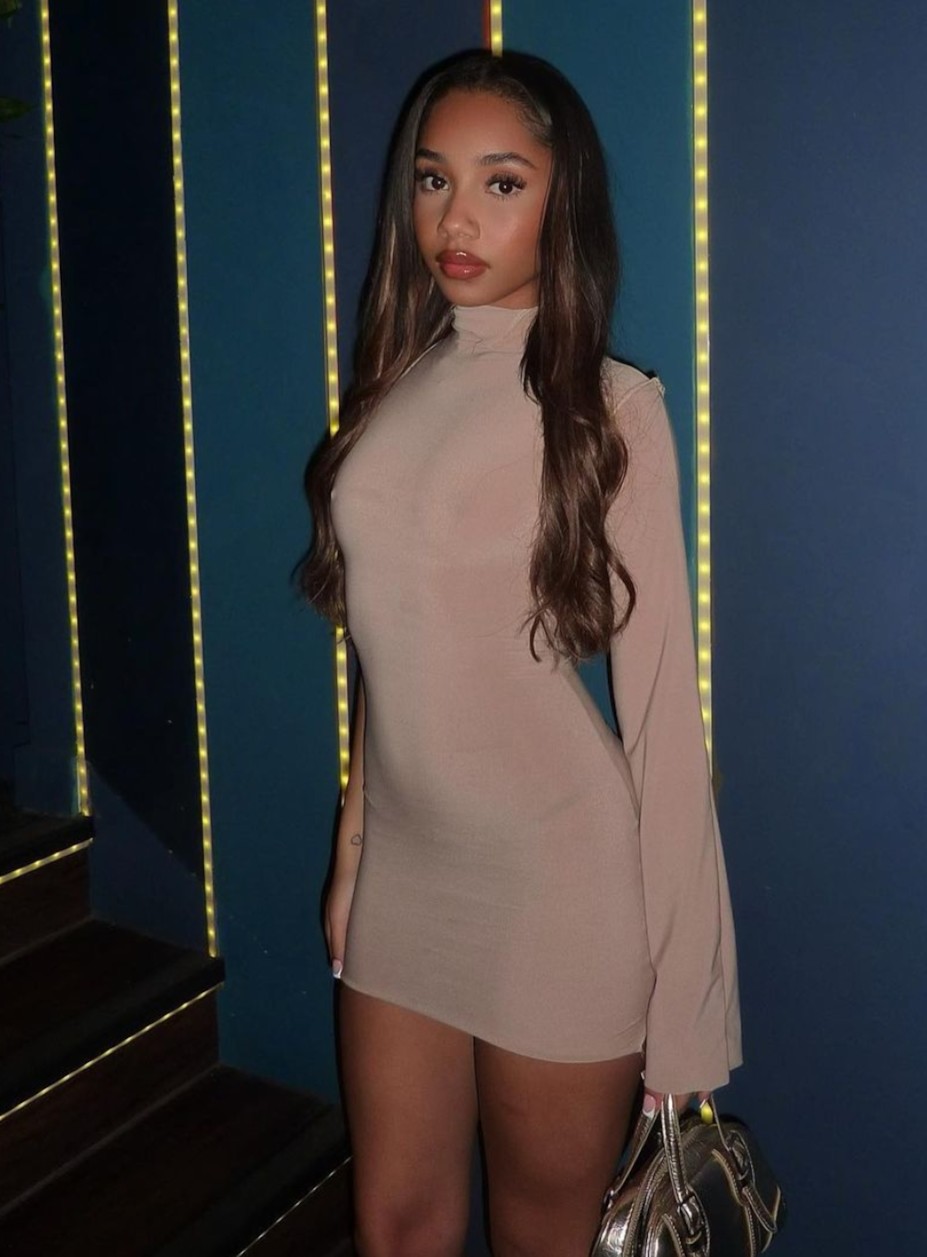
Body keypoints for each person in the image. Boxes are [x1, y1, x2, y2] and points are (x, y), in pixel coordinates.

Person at [301, 49, 740, 1257]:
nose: (456, 218)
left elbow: (661, 726)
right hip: (403, 881)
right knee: (395, 1226)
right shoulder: (393, 385)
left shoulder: (610, 408)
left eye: (501, 183)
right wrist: (352, 852)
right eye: (433, 180)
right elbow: (389, 648)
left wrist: (688, 1013)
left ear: (562, 201)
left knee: (541, 1241)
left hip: (559, 891)